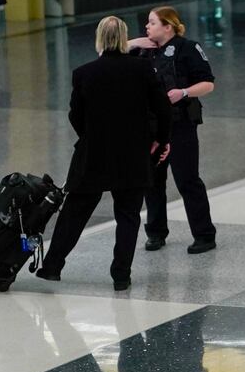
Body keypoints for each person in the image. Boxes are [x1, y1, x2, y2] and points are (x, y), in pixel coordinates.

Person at [36, 16, 172, 292]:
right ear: (124, 38)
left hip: (94, 154)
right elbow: (163, 109)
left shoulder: (84, 73)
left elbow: (76, 115)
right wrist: (161, 140)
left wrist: (91, 137)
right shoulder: (143, 69)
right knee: (128, 215)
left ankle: (52, 266)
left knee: (75, 212)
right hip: (133, 154)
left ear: (99, 39)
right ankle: (121, 274)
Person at [128, 6, 217, 256]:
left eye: (152, 23)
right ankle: (155, 232)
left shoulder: (187, 48)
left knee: (187, 179)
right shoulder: (142, 51)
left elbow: (208, 83)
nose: (147, 27)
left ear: (167, 26)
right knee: (153, 181)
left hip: (181, 125)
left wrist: (184, 92)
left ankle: (204, 234)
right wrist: (135, 41)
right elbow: (106, 53)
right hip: (152, 127)